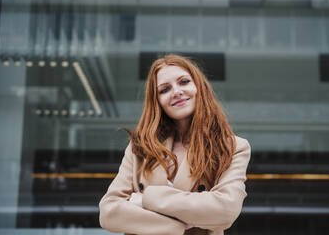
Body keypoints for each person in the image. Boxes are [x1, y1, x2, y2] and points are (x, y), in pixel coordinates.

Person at [99, 54, 251, 235]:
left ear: (198, 87)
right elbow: (108, 213)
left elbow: (225, 210)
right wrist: (177, 225)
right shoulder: (140, 147)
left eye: (184, 82)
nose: (176, 92)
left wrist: (146, 198)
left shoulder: (233, 147)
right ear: (157, 102)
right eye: (164, 90)